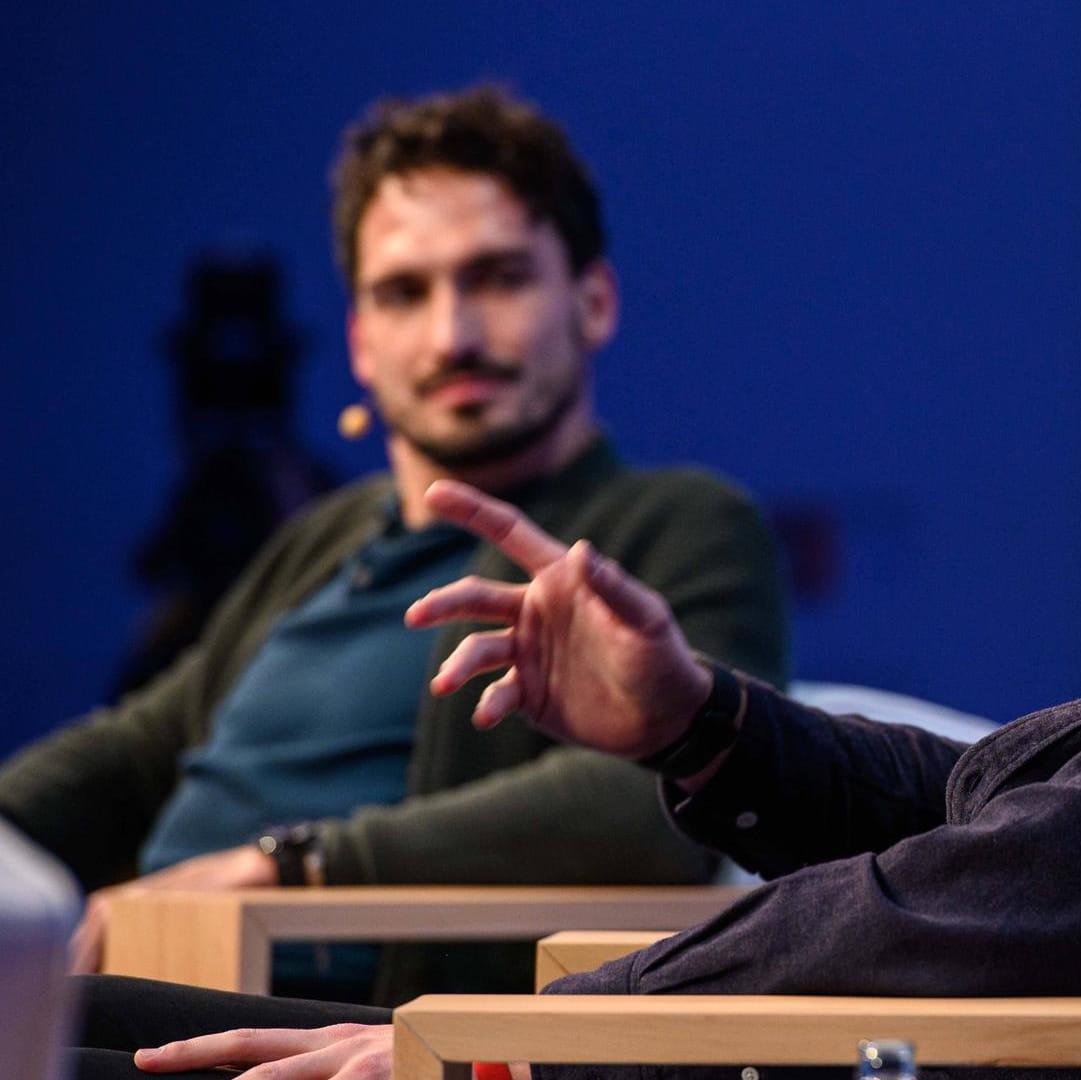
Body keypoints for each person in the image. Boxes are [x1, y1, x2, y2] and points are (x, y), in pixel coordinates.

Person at [72, 1, 1081, 1078]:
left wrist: (510, 1043)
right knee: (55, 1014)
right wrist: (697, 725)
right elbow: (999, 806)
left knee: (56, 1033)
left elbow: (1020, 890)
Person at [1, 86, 788, 1008]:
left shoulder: (673, 522)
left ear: (595, 300)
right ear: (361, 343)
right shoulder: (322, 540)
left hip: (333, 1025)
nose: (452, 335)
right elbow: (134, 754)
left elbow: (664, 798)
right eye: (404, 293)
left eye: (498, 278)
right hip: (138, 977)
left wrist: (291, 868)